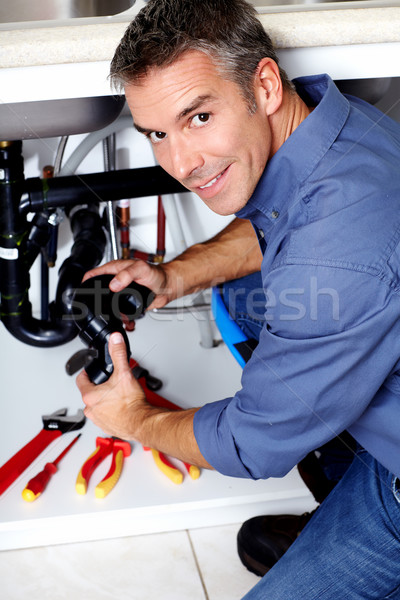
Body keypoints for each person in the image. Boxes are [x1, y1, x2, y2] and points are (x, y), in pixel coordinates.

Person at [76, 0, 400, 597]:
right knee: (248, 294)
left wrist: (134, 418)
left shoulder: (332, 254)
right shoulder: (341, 125)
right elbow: (281, 218)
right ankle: (339, 498)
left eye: (198, 117)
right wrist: (172, 277)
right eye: (156, 133)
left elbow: (252, 444)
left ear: (266, 85)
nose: (181, 163)